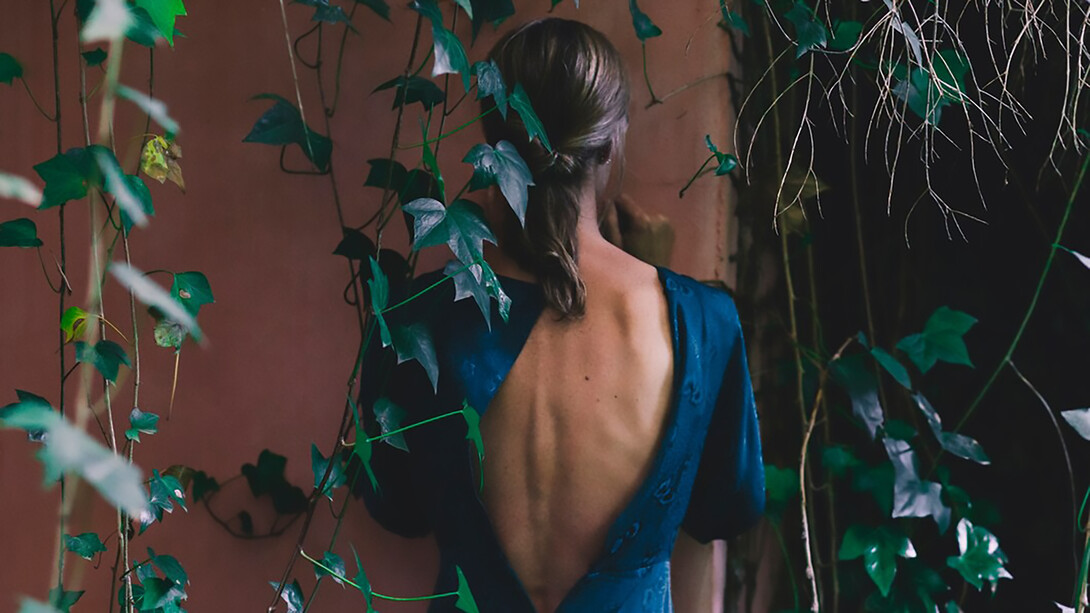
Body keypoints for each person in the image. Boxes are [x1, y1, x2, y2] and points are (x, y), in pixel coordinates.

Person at [358, 18, 765, 613]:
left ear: (493, 143)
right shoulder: (702, 326)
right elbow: (710, 523)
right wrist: (655, 279)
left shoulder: (413, 320)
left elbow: (396, 507)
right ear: (610, 141)